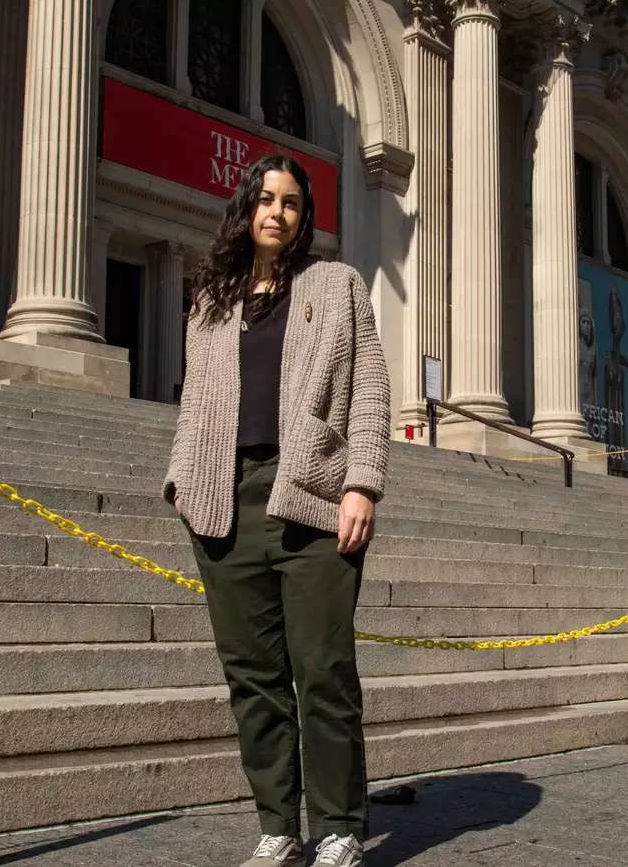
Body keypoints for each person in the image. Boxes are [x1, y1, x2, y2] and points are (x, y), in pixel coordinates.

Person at [163, 154, 390, 867]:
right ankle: (278, 826)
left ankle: (339, 826)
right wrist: (181, 480)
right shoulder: (212, 299)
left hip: (314, 499)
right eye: (265, 199)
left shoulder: (336, 285)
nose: (277, 212)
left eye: (291, 202)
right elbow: (194, 398)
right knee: (252, 676)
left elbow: (371, 391)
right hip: (223, 501)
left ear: (303, 216)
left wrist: (364, 482)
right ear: (245, 208)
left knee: (322, 669)